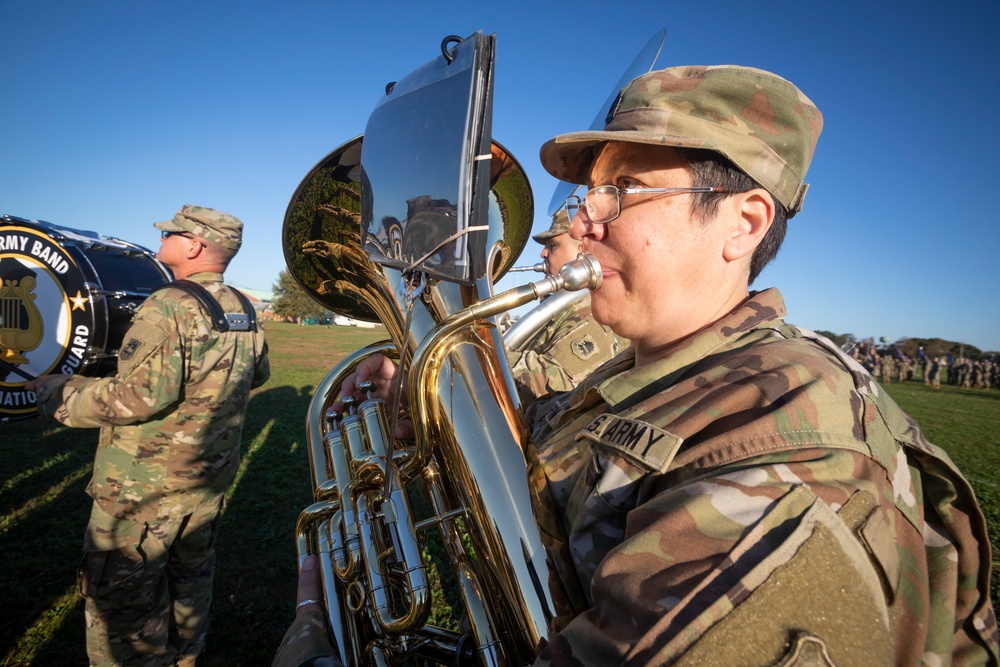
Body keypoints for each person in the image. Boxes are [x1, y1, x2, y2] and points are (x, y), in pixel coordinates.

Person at [281, 65, 1000, 665]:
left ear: (742, 223)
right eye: (591, 189)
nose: (580, 217)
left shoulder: (791, 432)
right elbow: (537, 449)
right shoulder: (646, 373)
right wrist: (421, 402)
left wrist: (318, 628)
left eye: (619, 189)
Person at [26, 205, 270, 667]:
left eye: (171, 234)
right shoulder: (243, 306)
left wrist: (58, 394)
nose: (161, 240)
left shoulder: (171, 303)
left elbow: (136, 398)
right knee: (189, 584)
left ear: (195, 245)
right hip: (203, 486)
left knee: (123, 610)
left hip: (142, 493)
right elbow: (255, 375)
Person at [507, 209, 625, 404]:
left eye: (553, 245)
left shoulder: (592, 311)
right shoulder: (565, 306)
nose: (543, 253)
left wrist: (489, 355)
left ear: (582, 252)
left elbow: (557, 382)